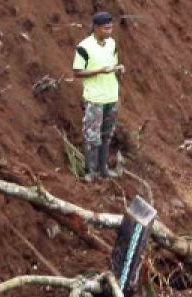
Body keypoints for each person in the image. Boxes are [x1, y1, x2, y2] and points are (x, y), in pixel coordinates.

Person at [72, 11, 125, 182]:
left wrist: (118, 69)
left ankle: (104, 169)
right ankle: (90, 172)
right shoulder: (84, 47)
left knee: (107, 134)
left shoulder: (112, 44)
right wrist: (100, 70)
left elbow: (113, 64)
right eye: (105, 28)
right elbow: (77, 72)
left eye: (111, 28)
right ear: (96, 28)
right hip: (95, 98)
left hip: (111, 96)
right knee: (91, 136)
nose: (109, 31)